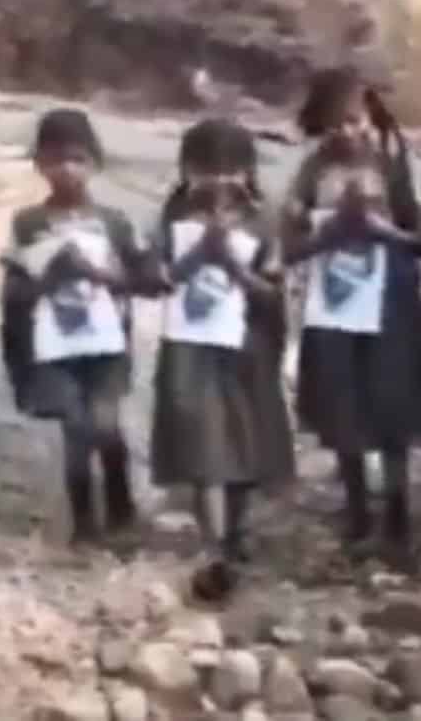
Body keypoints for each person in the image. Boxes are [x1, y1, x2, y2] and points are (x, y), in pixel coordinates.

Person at [282, 67, 421, 569]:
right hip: (337, 306)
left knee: (393, 406)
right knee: (342, 406)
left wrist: (379, 230)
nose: (347, 133)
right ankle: (357, 511)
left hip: (391, 303)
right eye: (334, 125)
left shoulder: (392, 166)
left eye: (354, 120)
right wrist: (332, 231)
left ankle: (398, 514)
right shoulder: (312, 172)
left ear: (371, 115)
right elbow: (290, 246)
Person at [149, 117, 295, 600]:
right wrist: (200, 252)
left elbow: (273, 294)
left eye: (233, 170)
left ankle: (235, 530)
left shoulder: (263, 219)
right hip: (190, 345)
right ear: (187, 170)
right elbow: (156, 281)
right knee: (203, 440)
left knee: (243, 437)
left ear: (250, 172)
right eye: (207, 169)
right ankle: (215, 548)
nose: (220, 181)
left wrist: (229, 261)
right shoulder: (173, 218)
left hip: (247, 346)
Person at [0, 108, 146, 549]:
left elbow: (147, 280)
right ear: (39, 165)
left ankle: (121, 506)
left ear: (96, 163)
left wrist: (97, 275)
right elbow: (14, 294)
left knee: (106, 424)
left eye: (78, 159)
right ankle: (84, 521)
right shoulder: (27, 225)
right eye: (56, 159)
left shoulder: (116, 223)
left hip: (106, 344)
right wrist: (50, 277)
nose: (68, 169)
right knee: (76, 429)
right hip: (55, 346)